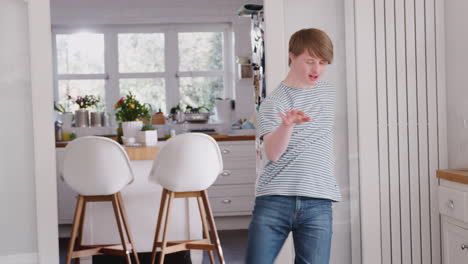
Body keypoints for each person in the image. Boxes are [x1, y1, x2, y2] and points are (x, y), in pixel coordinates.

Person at [246, 28, 341, 264]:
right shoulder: (273, 103)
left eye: (322, 62)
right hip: (275, 200)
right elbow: (273, 153)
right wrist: (286, 125)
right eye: (309, 61)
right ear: (292, 56)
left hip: (318, 200)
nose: (316, 69)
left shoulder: (329, 93)